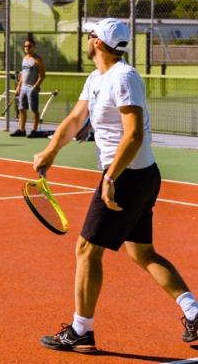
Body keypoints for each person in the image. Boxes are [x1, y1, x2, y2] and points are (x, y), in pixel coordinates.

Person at [34, 18, 197, 353]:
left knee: (86, 250)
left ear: (97, 41)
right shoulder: (96, 78)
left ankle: (82, 330)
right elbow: (76, 119)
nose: (87, 37)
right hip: (137, 175)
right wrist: (51, 151)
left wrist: (110, 178)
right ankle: (194, 313)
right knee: (142, 252)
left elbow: (134, 134)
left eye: (90, 34)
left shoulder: (123, 77)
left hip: (126, 176)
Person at [10, 38, 46, 138]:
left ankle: (34, 130)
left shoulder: (37, 59)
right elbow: (23, 74)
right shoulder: (25, 58)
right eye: (25, 46)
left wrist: (36, 86)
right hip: (23, 88)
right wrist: (18, 86)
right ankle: (22, 130)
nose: (27, 48)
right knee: (21, 109)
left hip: (32, 89)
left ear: (34, 47)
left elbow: (42, 75)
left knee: (34, 110)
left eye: (29, 46)